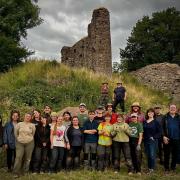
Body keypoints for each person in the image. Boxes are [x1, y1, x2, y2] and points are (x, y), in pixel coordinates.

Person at [13, 113, 36, 178]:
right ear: (24, 117)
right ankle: (16, 172)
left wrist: (28, 139)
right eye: (26, 116)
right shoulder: (19, 124)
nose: (28, 117)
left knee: (28, 158)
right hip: (20, 143)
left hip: (30, 143)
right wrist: (18, 139)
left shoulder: (32, 125)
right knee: (18, 157)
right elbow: (15, 133)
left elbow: (33, 133)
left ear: (31, 118)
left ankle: (25, 171)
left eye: (29, 116)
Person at [162, 104, 180, 173]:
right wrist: (163, 136)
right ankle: (166, 168)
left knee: (175, 154)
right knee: (167, 154)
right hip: (167, 138)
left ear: (176, 109)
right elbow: (162, 127)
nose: (172, 109)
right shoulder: (165, 117)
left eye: (174, 108)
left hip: (177, 138)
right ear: (169, 108)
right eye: (171, 107)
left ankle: (173, 167)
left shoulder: (178, 117)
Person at [143, 108, 161, 174]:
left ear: (154, 113)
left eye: (151, 112)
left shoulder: (156, 122)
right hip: (145, 140)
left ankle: (152, 169)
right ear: (147, 113)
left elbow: (159, 132)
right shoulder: (145, 121)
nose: (150, 113)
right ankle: (149, 168)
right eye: (149, 112)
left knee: (152, 155)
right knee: (148, 155)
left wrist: (154, 137)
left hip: (152, 141)